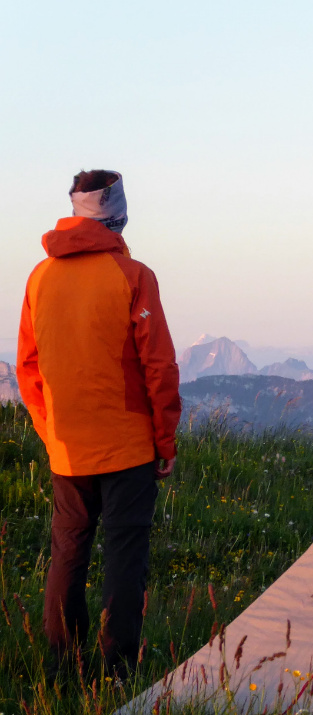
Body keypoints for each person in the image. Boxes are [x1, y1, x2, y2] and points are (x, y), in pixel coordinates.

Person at [16, 169, 181, 682]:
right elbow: (159, 366)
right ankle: (116, 673)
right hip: (128, 446)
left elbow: (28, 368)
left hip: (67, 449)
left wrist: (52, 432)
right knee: (124, 557)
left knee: (68, 551)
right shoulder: (133, 275)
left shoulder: (40, 278)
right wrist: (165, 439)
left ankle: (64, 664)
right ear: (116, 214)